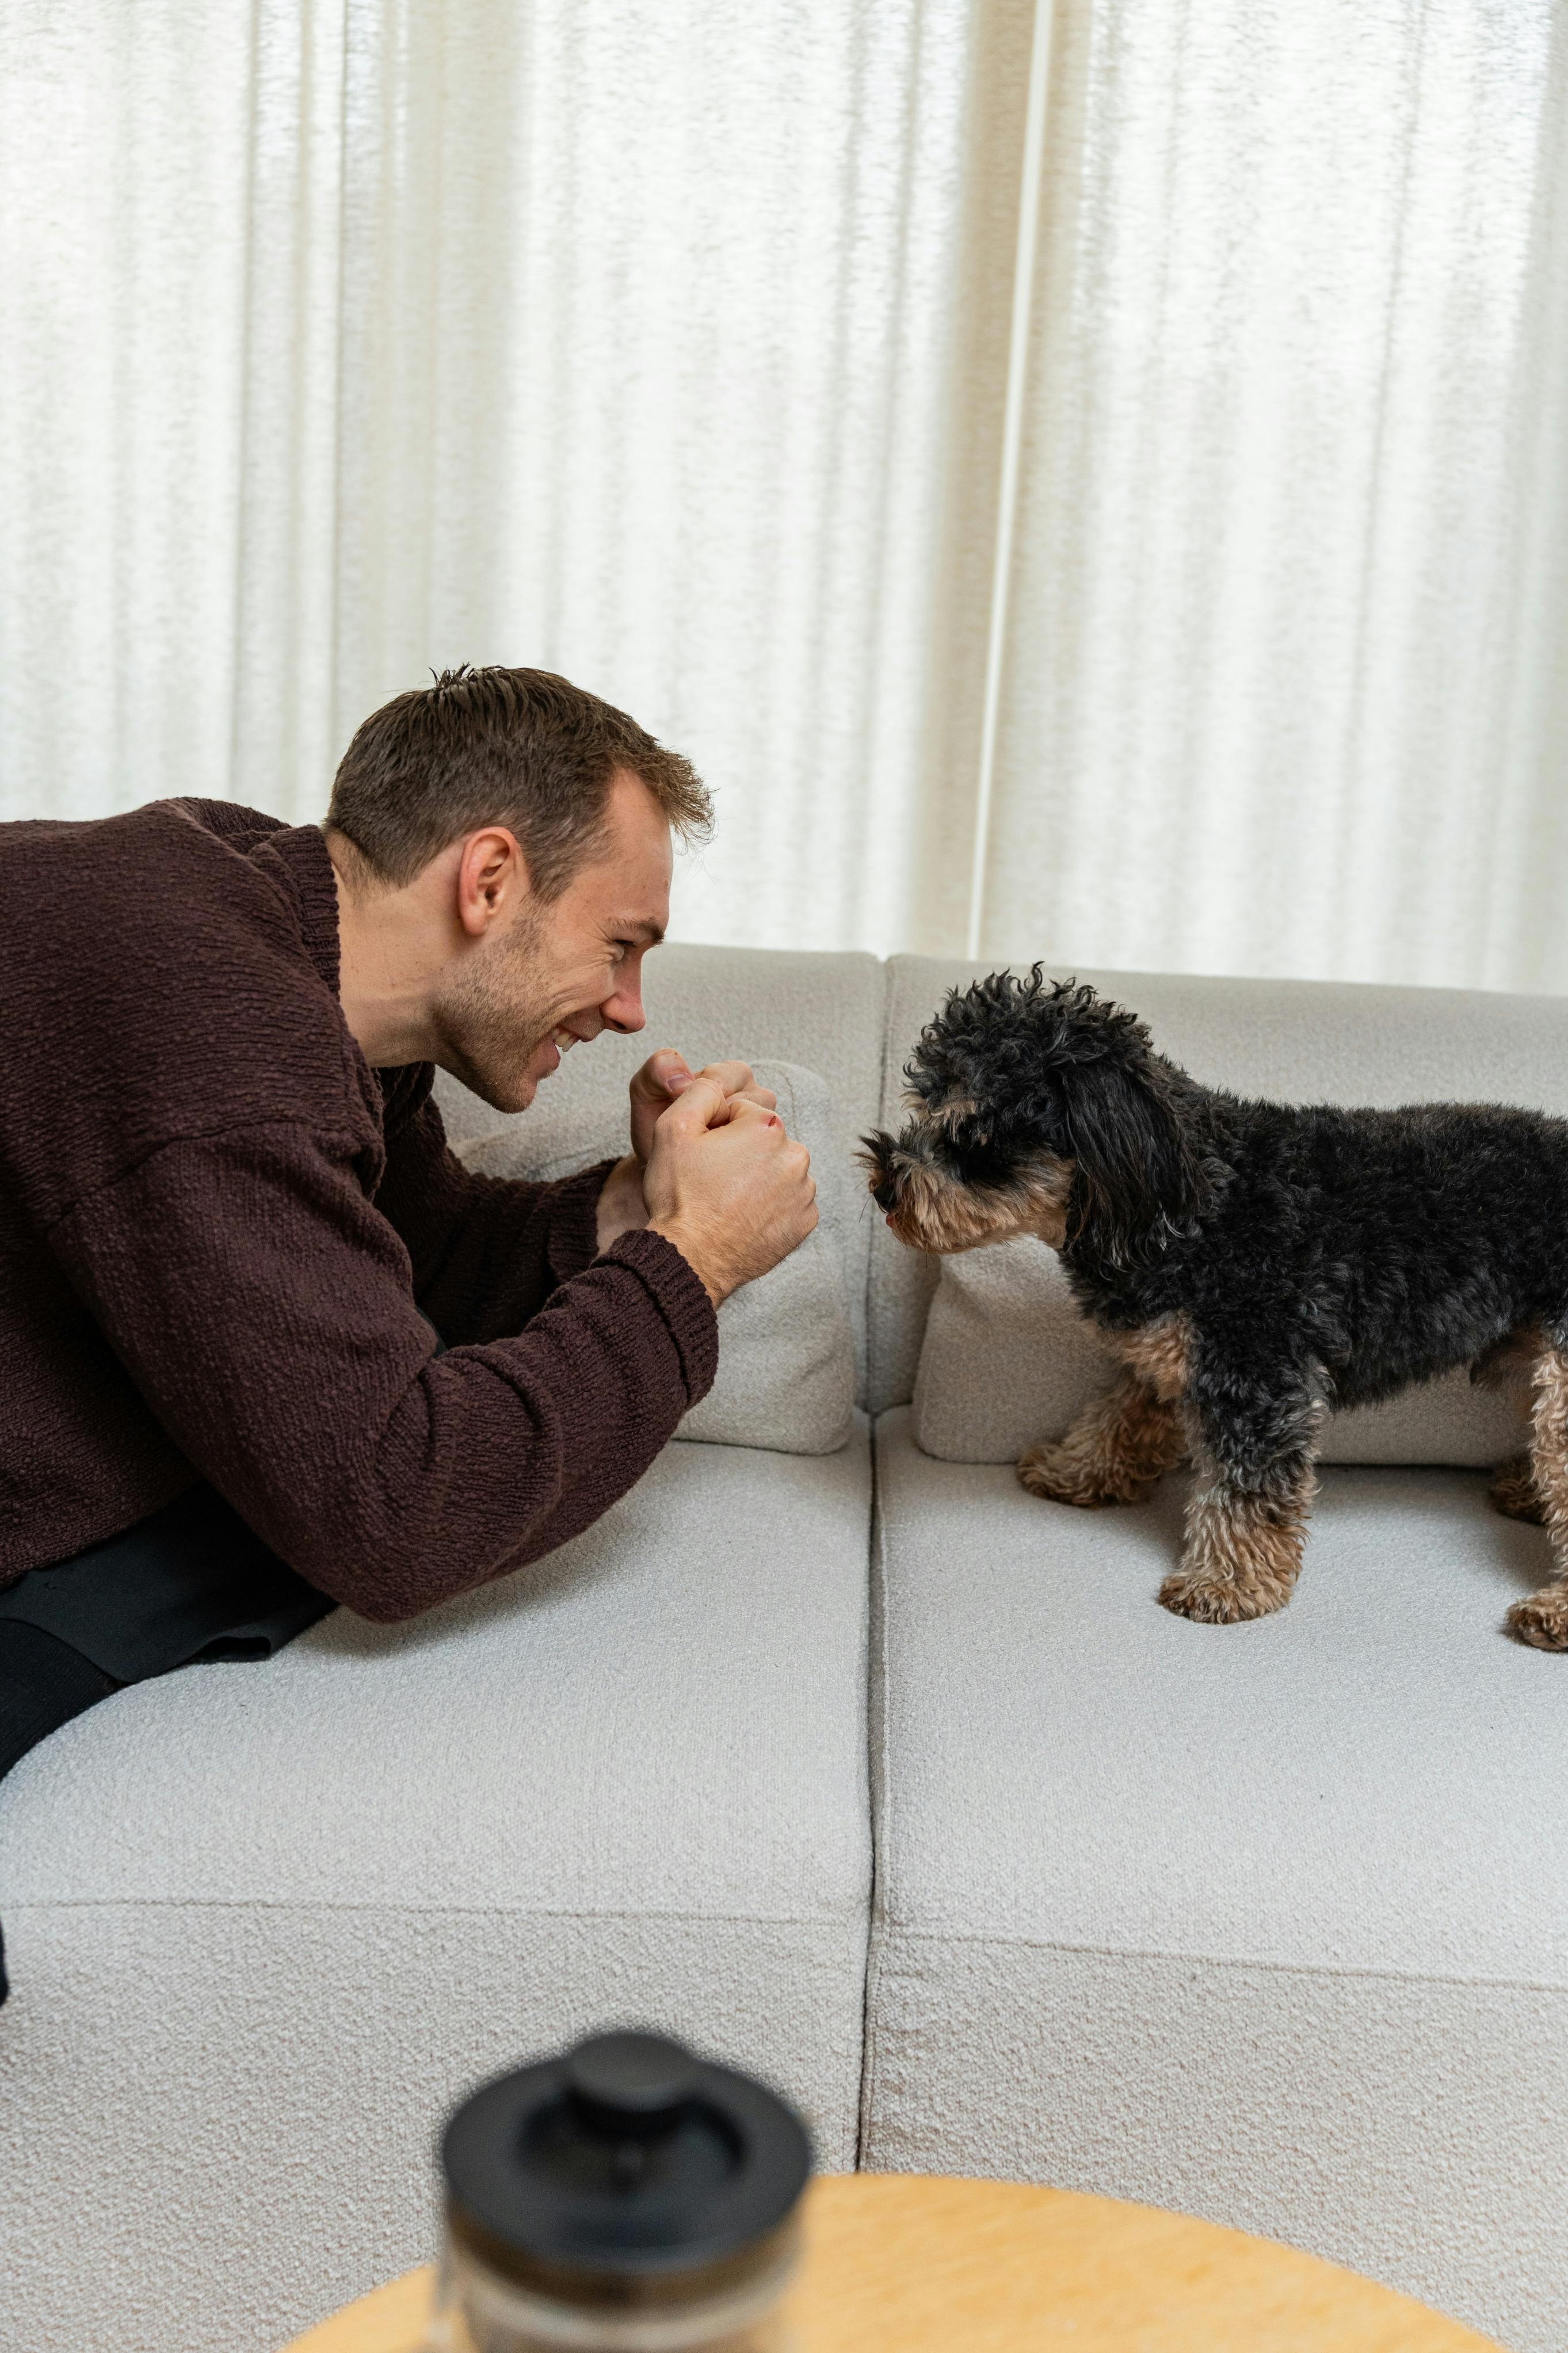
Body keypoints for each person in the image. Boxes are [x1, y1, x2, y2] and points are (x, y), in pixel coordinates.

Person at [0, 664, 816, 1997]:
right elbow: (397, 1508)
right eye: (622, 945)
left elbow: (404, 1264)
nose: (631, 1011)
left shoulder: (273, 935)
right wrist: (690, 1263)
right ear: (488, 879)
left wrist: (621, 1215)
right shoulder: (207, 1022)